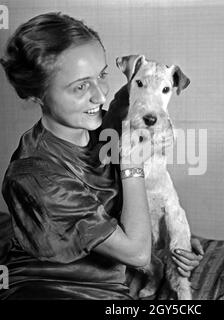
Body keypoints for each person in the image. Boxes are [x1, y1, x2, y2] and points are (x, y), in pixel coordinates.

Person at [0, 12, 203, 300]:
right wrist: (131, 165)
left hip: (113, 281)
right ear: (37, 95)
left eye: (101, 75)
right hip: (51, 288)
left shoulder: (104, 127)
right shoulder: (35, 177)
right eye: (80, 86)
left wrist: (174, 243)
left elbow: (129, 209)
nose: (99, 95)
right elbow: (135, 252)